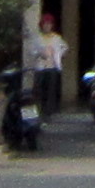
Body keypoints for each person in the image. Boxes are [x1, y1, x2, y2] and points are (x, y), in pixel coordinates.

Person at [25, 10, 70, 144]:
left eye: (49, 24)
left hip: (52, 67)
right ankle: (39, 111)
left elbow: (64, 48)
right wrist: (40, 53)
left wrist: (58, 55)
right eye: (45, 24)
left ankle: (49, 112)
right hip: (41, 67)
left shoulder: (56, 38)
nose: (47, 26)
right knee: (39, 90)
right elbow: (32, 51)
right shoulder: (37, 38)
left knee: (51, 90)